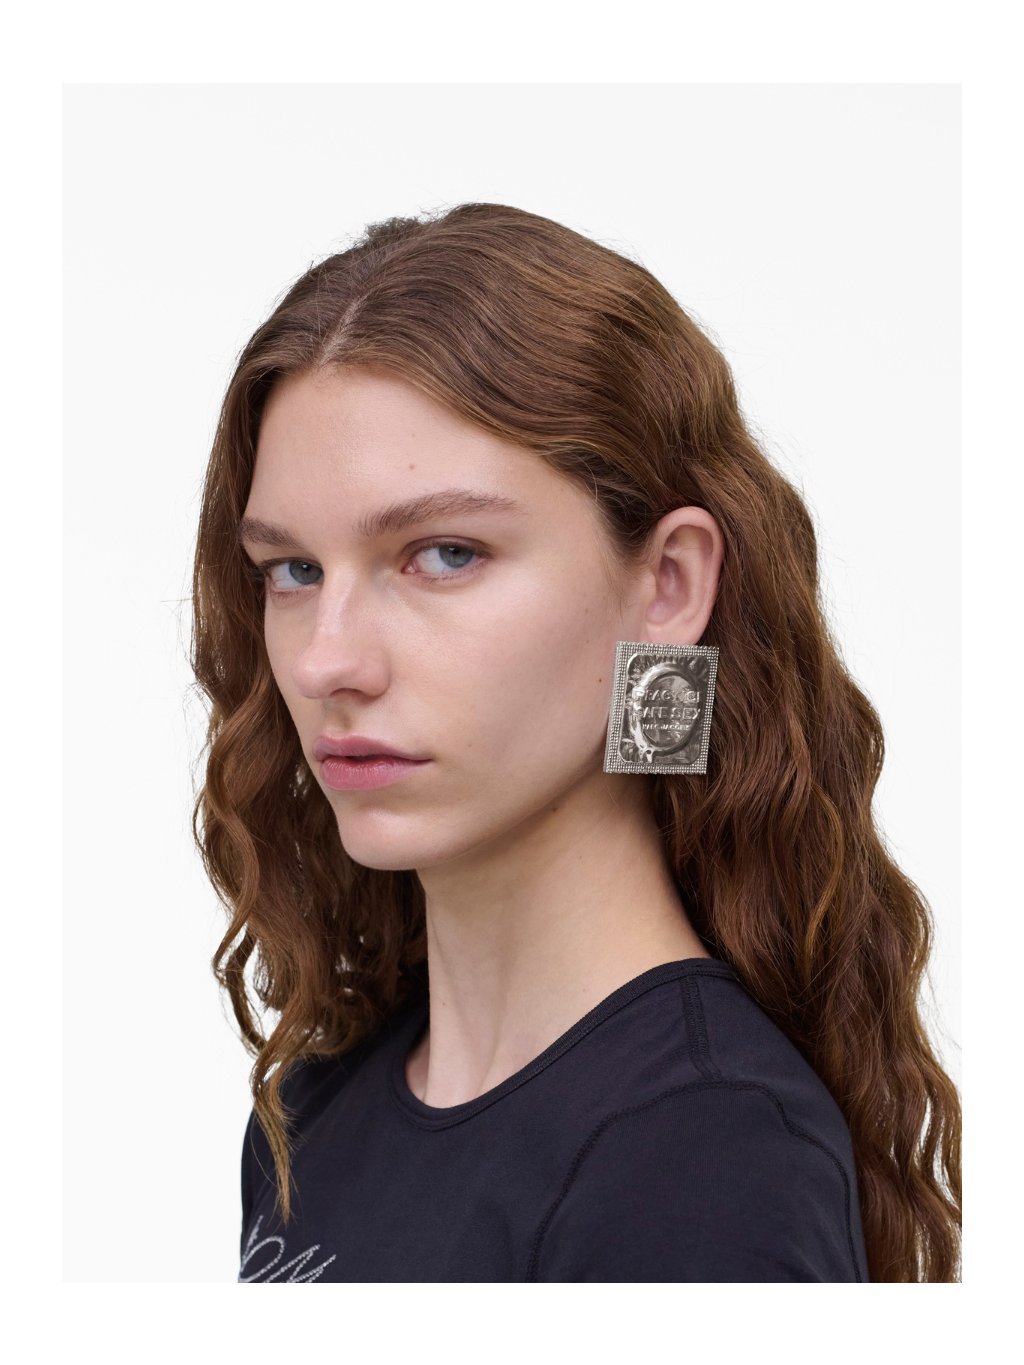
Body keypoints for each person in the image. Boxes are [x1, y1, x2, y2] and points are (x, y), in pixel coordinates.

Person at [188, 202, 961, 1283]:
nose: (326, 661)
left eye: (444, 553)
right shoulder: (315, 1111)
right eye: (293, 570)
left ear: (668, 585)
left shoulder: (706, 1158)